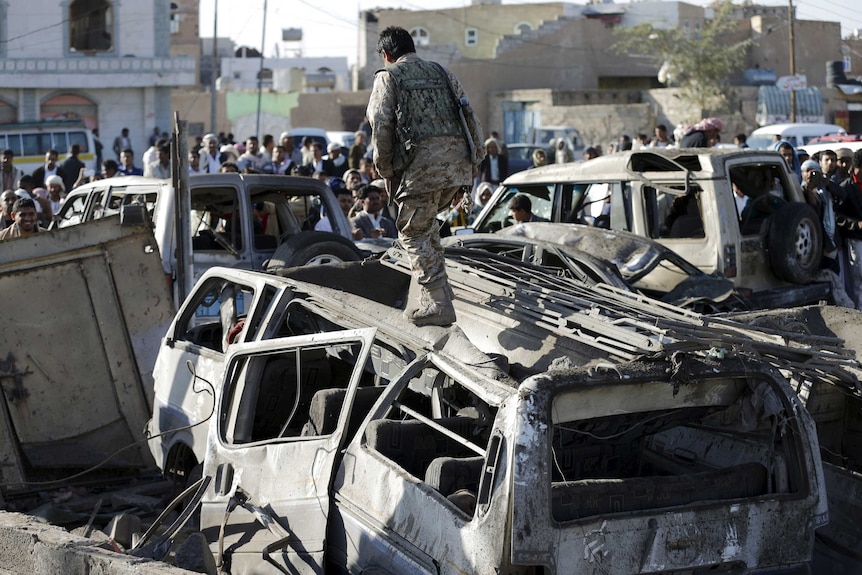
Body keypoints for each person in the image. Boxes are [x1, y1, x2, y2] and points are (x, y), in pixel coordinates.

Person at [368, 25, 484, 326]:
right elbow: (469, 115)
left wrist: (385, 170)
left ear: (386, 54)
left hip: (420, 169)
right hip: (457, 168)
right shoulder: (443, 73)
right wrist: (474, 161)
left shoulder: (388, 76)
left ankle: (438, 302)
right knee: (428, 227)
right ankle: (441, 291)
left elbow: (380, 125)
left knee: (414, 232)